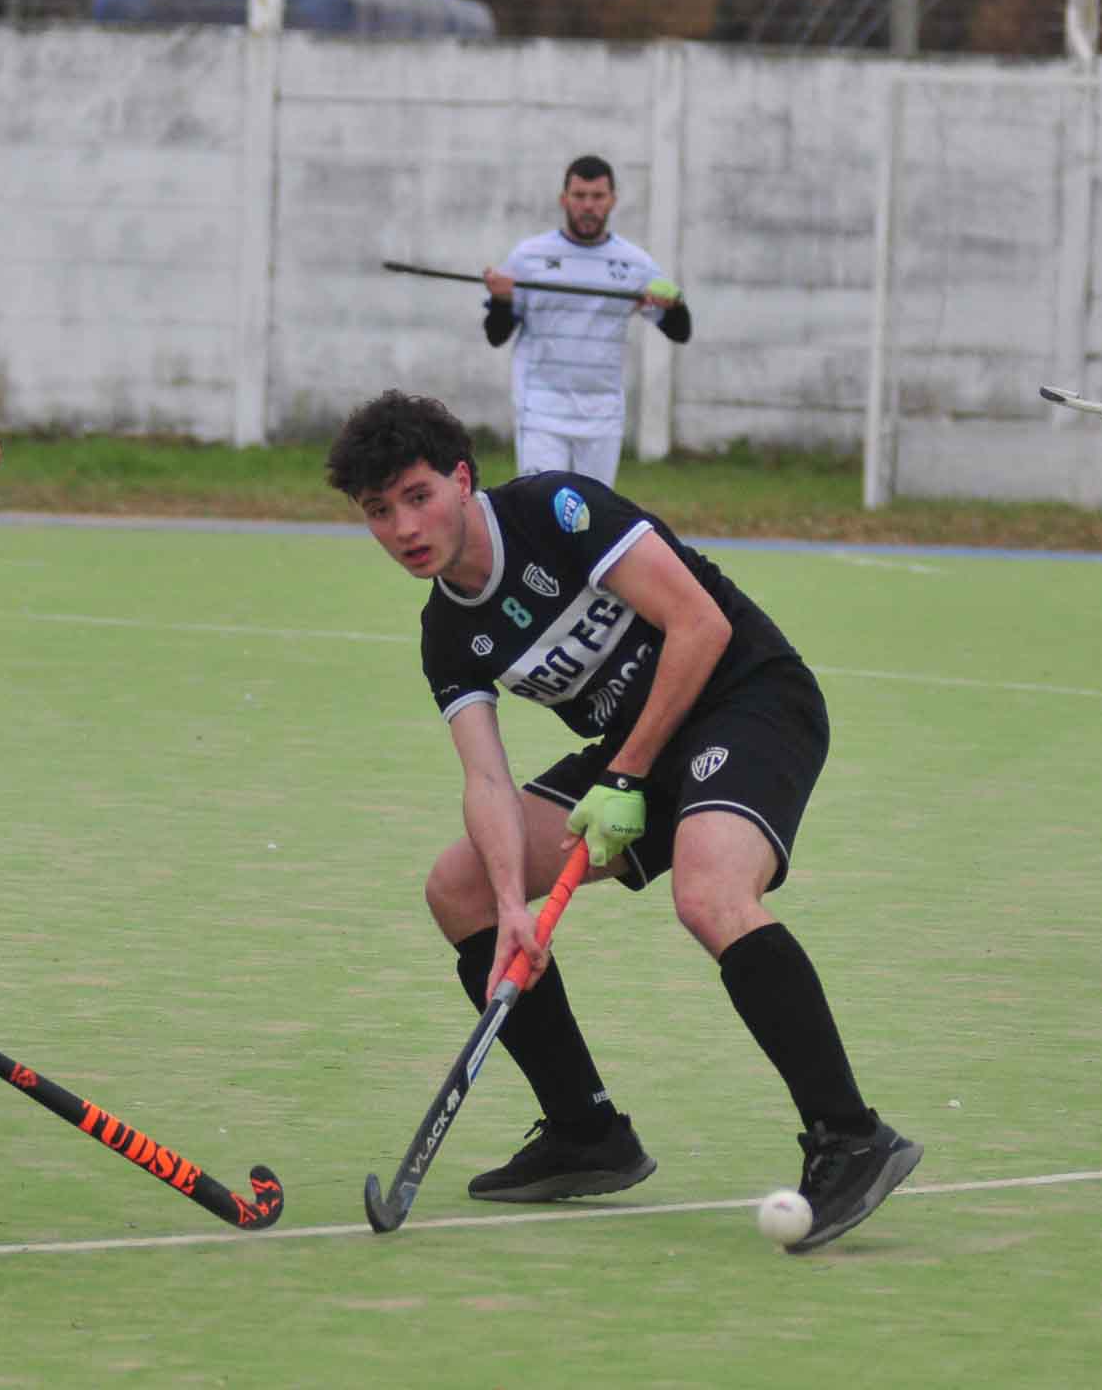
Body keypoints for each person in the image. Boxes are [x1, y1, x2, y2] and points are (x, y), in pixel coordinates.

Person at [325, 390, 919, 1253]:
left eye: (417, 497)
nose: (404, 527)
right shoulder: (445, 635)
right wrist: (510, 906)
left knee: (710, 892)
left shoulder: (555, 511)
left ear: (461, 480)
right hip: (634, 752)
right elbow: (486, 779)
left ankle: (851, 1136)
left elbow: (700, 622)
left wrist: (629, 771)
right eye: (379, 512)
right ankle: (587, 1133)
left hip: (745, 697)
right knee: (459, 889)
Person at [481, 155, 692, 488]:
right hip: (541, 411)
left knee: (591, 523)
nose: (588, 206)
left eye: (597, 197)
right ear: (564, 200)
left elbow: (680, 331)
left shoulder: (635, 264)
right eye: (579, 197)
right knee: (543, 512)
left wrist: (674, 305)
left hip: (602, 417)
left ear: (612, 201)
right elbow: (496, 334)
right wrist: (502, 299)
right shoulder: (528, 257)